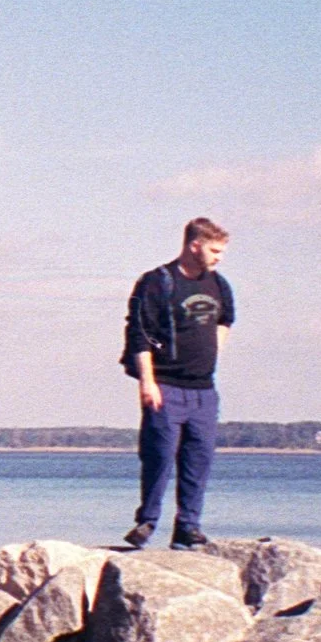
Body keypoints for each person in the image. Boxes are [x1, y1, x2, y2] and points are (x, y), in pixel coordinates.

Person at [120, 217, 234, 549]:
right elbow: (139, 334)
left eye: (222, 251)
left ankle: (188, 526)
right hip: (165, 385)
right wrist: (147, 382)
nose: (219, 257)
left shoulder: (219, 284)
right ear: (194, 245)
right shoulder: (157, 282)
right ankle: (147, 521)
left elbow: (226, 319)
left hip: (203, 389)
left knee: (198, 459)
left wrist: (214, 351)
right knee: (158, 455)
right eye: (214, 250)